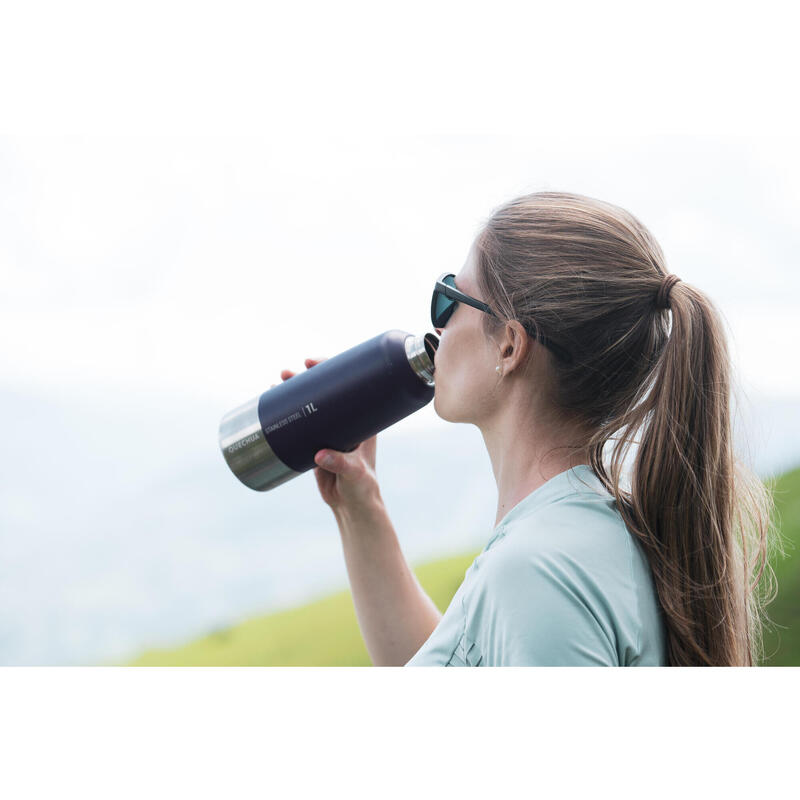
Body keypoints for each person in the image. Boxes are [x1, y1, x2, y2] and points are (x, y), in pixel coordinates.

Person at [280, 191, 779, 667]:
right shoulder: (587, 531)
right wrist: (359, 506)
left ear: (509, 347)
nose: (438, 326)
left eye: (449, 297)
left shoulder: (537, 569)